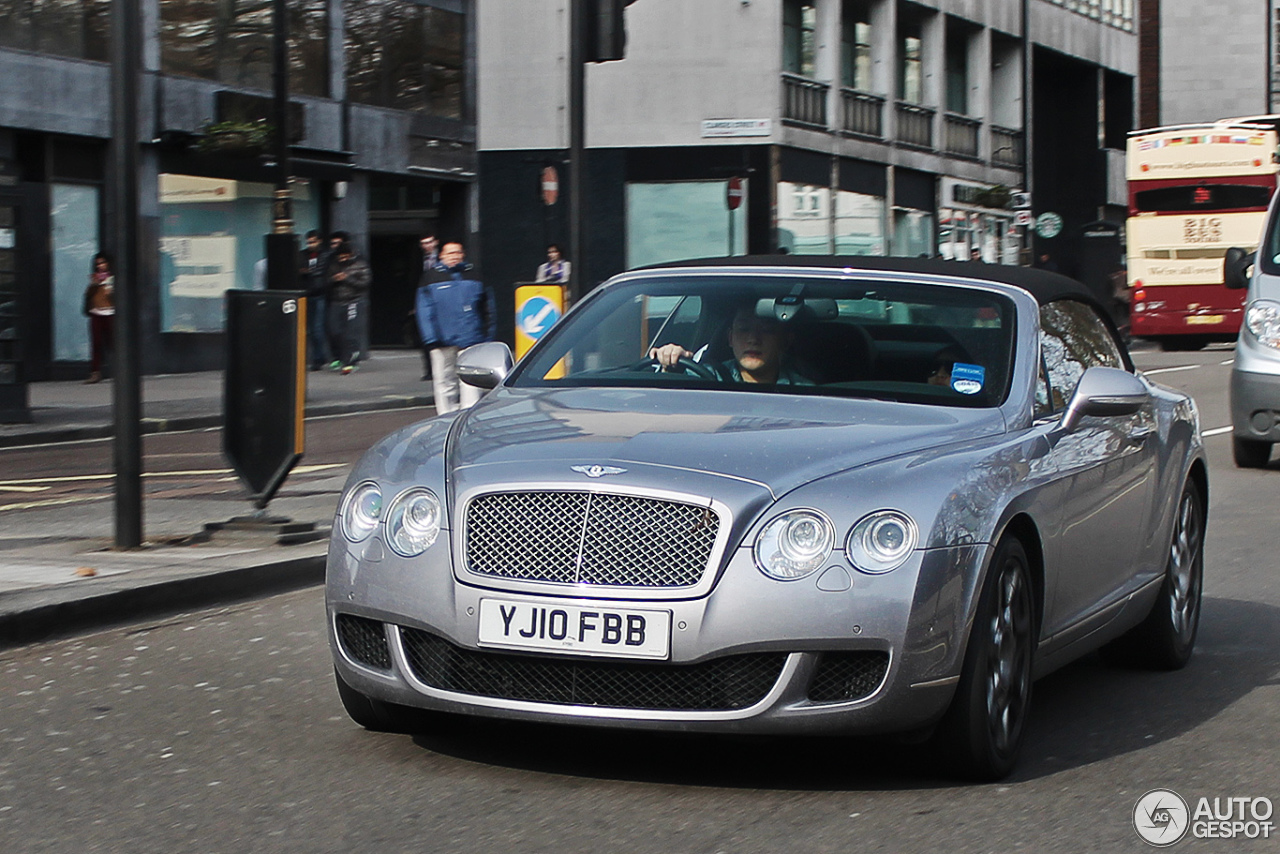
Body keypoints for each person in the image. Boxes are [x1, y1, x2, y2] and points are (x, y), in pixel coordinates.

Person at [416, 241, 497, 413]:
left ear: (463, 254)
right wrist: (430, 339)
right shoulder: (430, 277)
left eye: (457, 253)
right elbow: (424, 310)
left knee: (471, 381)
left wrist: (487, 336)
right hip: (441, 340)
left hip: (471, 338)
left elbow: (488, 307)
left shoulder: (475, 275)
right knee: (444, 381)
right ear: (442, 256)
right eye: (450, 253)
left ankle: (467, 414)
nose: (454, 256)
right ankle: (446, 415)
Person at [649, 302, 814, 385]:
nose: (753, 339)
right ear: (730, 338)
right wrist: (670, 367)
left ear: (785, 341)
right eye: (743, 329)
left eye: (766, 330)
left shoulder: (805, 391)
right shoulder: (708, 377)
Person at [327, 241, 371, 374]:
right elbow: (326, 281)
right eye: (340, 257)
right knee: (334, 330)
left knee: (350, 332)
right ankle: (340, 356)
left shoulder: (360, 265)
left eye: (345, 256)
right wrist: (334, 280)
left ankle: (351, 361)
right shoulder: (334, 265)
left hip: (353, 301)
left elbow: (365, 282)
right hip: (336, 301)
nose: (343, 259)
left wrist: (347, 279)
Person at [300, 230, 332, 371]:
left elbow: (323, 272)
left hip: (319, 293)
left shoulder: (325, 255)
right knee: (311, 329)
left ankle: (318, 358)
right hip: (307, 293)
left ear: (319, 241)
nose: (310, 245)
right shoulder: (303, 255)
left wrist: (309, 272)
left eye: (313, 241)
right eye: (309, 242)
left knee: (317, 328)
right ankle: (318, 357)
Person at [81, 253, 115, 384]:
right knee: (96, 343)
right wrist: (93, 285)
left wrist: (110, 290)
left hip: (110, 312)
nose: (100, 266)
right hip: (96, 312)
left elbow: (117, 297)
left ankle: (119, 370)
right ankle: (95, 372)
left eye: (103, 263)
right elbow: (88, 295)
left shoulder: (112, 279)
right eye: (98, 264)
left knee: (112, 342)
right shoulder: (95, 279)